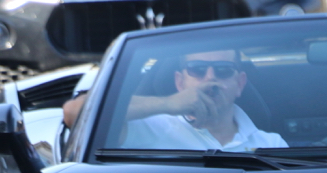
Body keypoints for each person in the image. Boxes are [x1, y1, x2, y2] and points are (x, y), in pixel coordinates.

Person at [63, 49, 287, 151]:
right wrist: (168, 104)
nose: (210, 78)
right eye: (197, 70)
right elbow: (75, 112)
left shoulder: (271, 144)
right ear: (180, 82)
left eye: (223, 70)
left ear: (240, 84)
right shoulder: (149, 127)